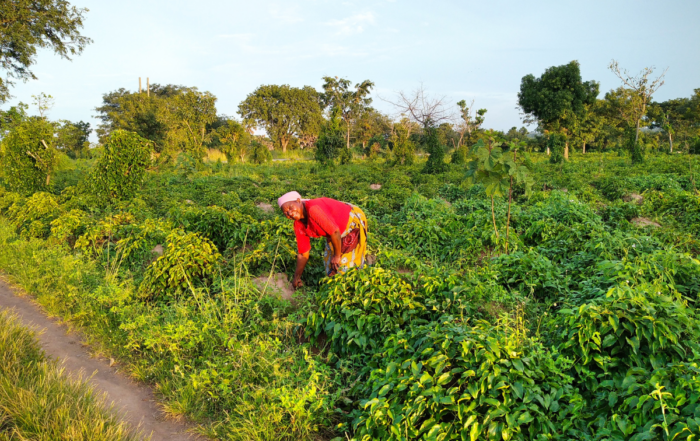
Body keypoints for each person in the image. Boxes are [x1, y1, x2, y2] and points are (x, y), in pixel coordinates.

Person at [278, 191, 368, 289]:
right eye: (286, 213)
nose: (290, 213)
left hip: (350, 223)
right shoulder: (298, 225)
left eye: (291, 207)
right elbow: (303, 253)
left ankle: (354, 290)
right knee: (330, 264)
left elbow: (334, 232)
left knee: (344, 266)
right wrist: (296, 277)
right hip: (334, 231)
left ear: (298, 201)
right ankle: (334, 290)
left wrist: (337, 256)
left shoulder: (313, 209)